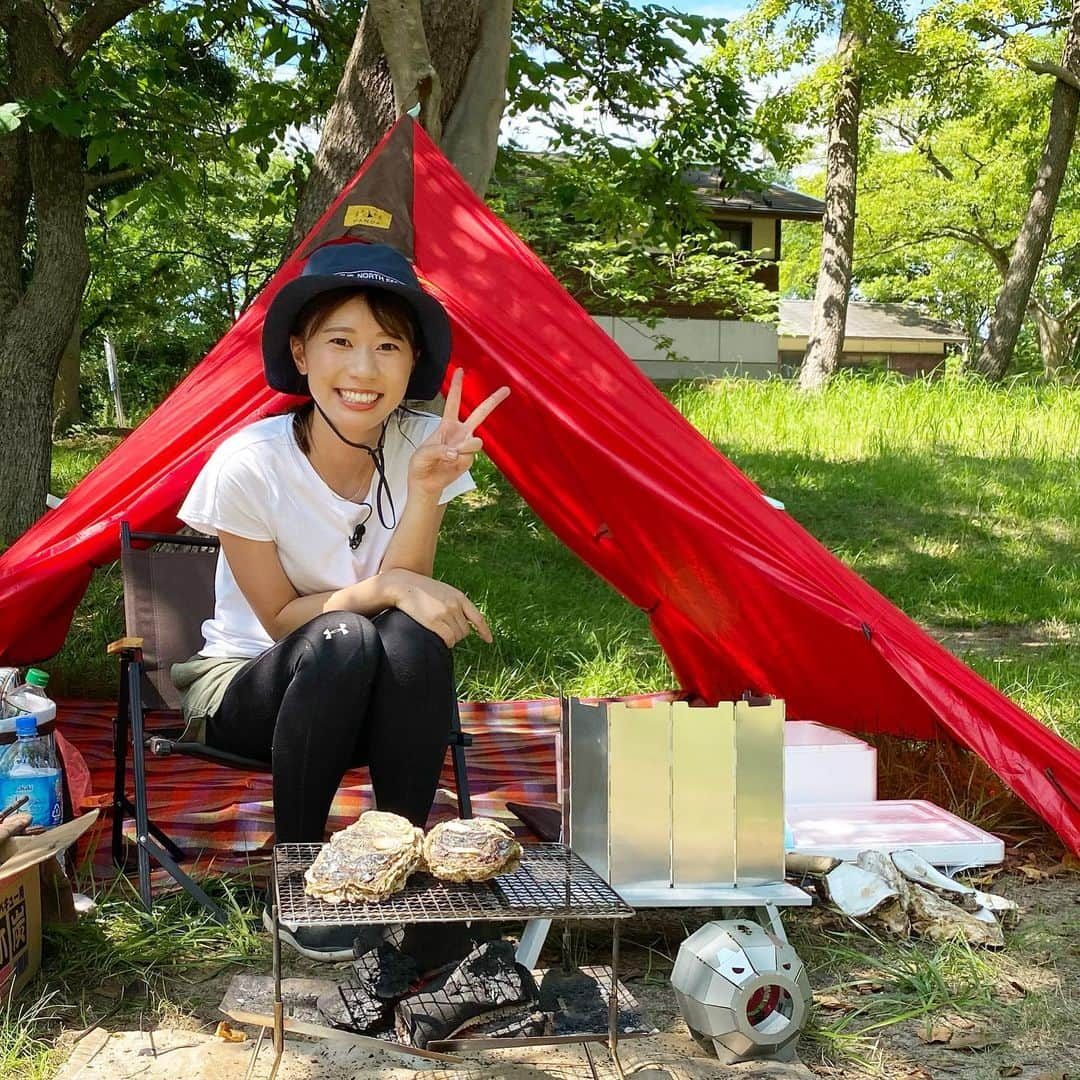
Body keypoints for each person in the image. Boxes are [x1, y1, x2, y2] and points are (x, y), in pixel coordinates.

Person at [170, 242, 510, 958]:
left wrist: (423, 491)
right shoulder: (248, 464)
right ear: (300, 352)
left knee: (410, 634)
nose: (363, 369)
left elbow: (406, 595)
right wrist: (381, 587)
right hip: (252, 686)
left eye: (388, 345)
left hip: (362, 697)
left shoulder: (424, 442)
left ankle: (394, 864)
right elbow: (284, 620)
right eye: (341, 342)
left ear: (412, 361)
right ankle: (298, 880)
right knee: (343, 636)